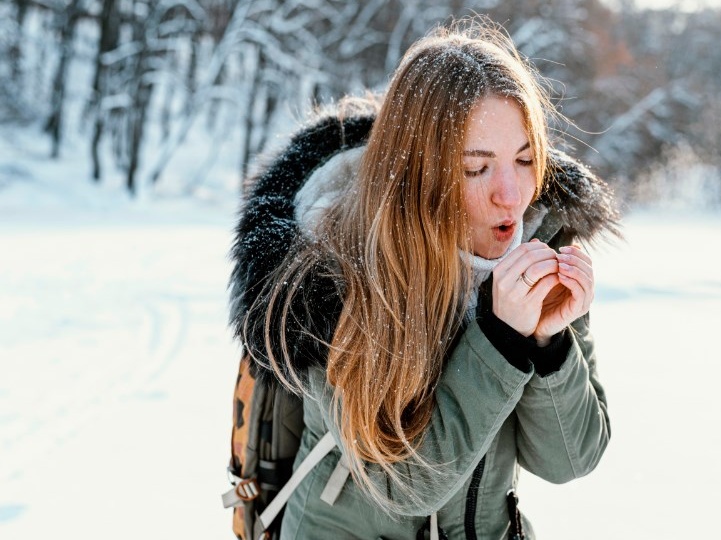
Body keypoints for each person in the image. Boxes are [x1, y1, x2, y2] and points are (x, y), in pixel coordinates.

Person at [230, 18, 620, 540]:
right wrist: (501, 339)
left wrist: (550, 343)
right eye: (475, 168)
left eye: (525, 159)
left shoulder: (540, 244)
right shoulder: (332, 270)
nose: (512, 194)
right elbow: (400, 484)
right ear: (416, 171)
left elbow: (570, 458)